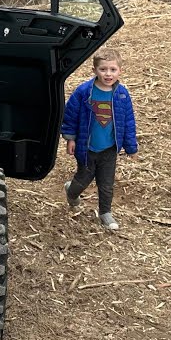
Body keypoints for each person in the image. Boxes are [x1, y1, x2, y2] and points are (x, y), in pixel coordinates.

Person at [59, 48, 138, 230]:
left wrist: (131, 147)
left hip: (109, 149)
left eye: (112, 70)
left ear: (120, 71)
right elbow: (71, 115)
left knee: (106, 184)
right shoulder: (84, 92)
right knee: (83, 179)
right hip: (87, 148)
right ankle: (71, 190)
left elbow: (128, 122)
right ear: (94, 70)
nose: (108, 74)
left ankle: (105, 212)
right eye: (103, 69)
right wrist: (71, 138)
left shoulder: (122, 95)